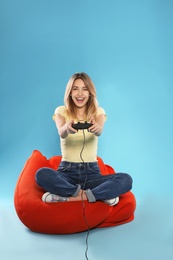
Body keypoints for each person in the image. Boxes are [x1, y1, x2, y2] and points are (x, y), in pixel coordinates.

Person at [35, 72, 132, 206]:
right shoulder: (61, 111)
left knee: (126, 179)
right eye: (75, 89)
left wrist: (98, 128)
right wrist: (66, 129)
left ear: (90, 93)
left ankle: (71, 197)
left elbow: (99, 130)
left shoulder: (98, 112)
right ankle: (97, 195)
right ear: (69, 92)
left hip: (92, 174)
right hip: (66, 173)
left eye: (85, 89)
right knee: (41, 174)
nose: (80, 93)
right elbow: (60, 132)